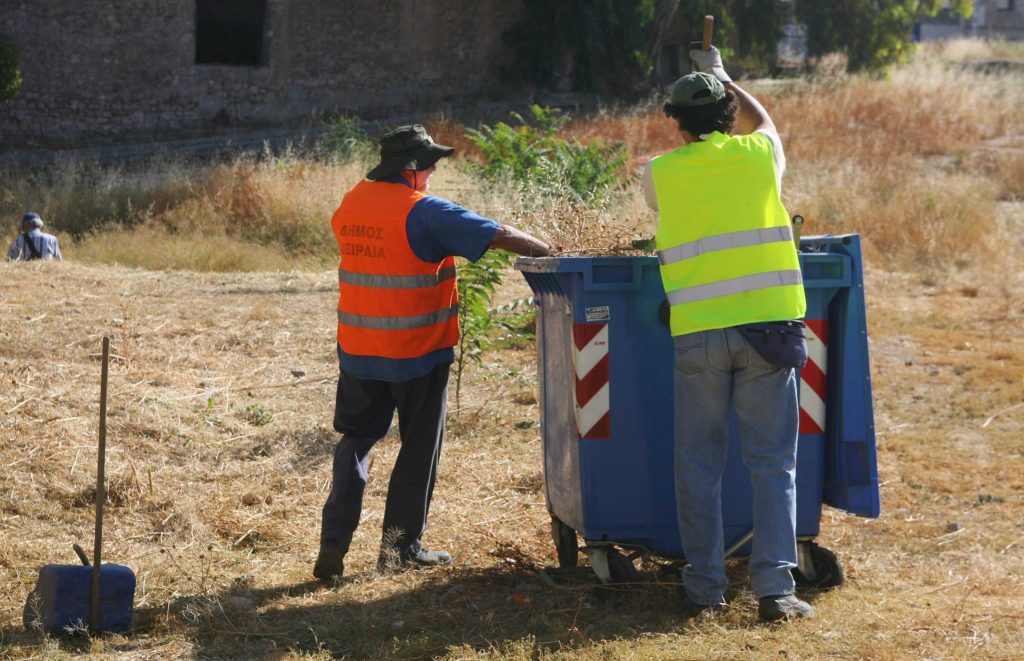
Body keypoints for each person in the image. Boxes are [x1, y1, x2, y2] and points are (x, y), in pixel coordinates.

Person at [314, 124, 552, 581]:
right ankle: (399, 551)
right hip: (417, 354)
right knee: (418, 449)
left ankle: (333, 547)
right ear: (413, 168)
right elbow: (498, 234)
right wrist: (558, 253)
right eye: (432, 163)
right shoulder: (423, 211)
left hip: (360, 350)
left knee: (355, 445)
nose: (436, 169)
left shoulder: (350, 203)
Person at [643, 47, 814, 622]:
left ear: (676, 121)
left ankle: (705, 590)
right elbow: (767, 124)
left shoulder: (660, 172)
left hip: (699, 337)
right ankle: (775, 590)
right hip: (767, 332)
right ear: (727, 115)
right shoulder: (759, 154)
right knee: (772, 465)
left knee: (698, 468)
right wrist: (728, 78)